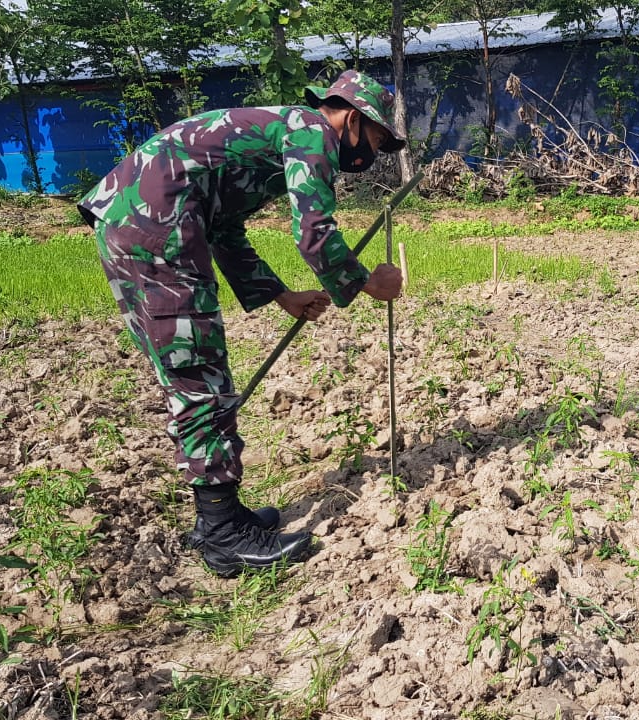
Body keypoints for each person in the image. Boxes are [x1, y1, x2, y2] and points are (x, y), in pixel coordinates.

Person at [79, 69, 406, 576]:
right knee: (196, 369)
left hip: (144, 218)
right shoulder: (311, 132)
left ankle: (221, 514)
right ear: (351, 116)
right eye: (377, 138)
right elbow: (315, 233)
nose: (371, 153)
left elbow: (225, 225)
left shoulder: (275, 133)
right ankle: (222, 534)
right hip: (155, 225)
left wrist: (280, 296)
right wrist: (367, 283)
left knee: (191, 367)